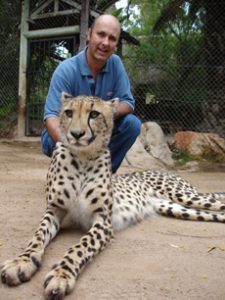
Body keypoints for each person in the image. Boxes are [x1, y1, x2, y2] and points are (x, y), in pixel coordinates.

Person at [41, 14, 141, 173]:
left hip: (96, 133)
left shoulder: (116, 64)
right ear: (89, 34)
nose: (105, 43)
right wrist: (74, 146)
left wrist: (101, 114)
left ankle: (103, 174)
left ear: (116, 44)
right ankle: (72, 171)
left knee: (132, 124)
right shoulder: (66, 69)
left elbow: (128, 103)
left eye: (112, 38)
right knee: (57, 134)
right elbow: (51, 117)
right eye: (100, 34)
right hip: (68, 135)